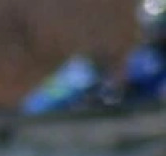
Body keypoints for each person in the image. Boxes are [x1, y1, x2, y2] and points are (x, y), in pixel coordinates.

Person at [24, 2, 166, 114]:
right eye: (155, 28)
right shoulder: (144, 55)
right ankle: (35, 113)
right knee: (85, 73)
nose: (157, 34)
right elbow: (130, 82)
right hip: (129, 109)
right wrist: (116, 90)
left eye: (160, 28)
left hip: (148, 115)